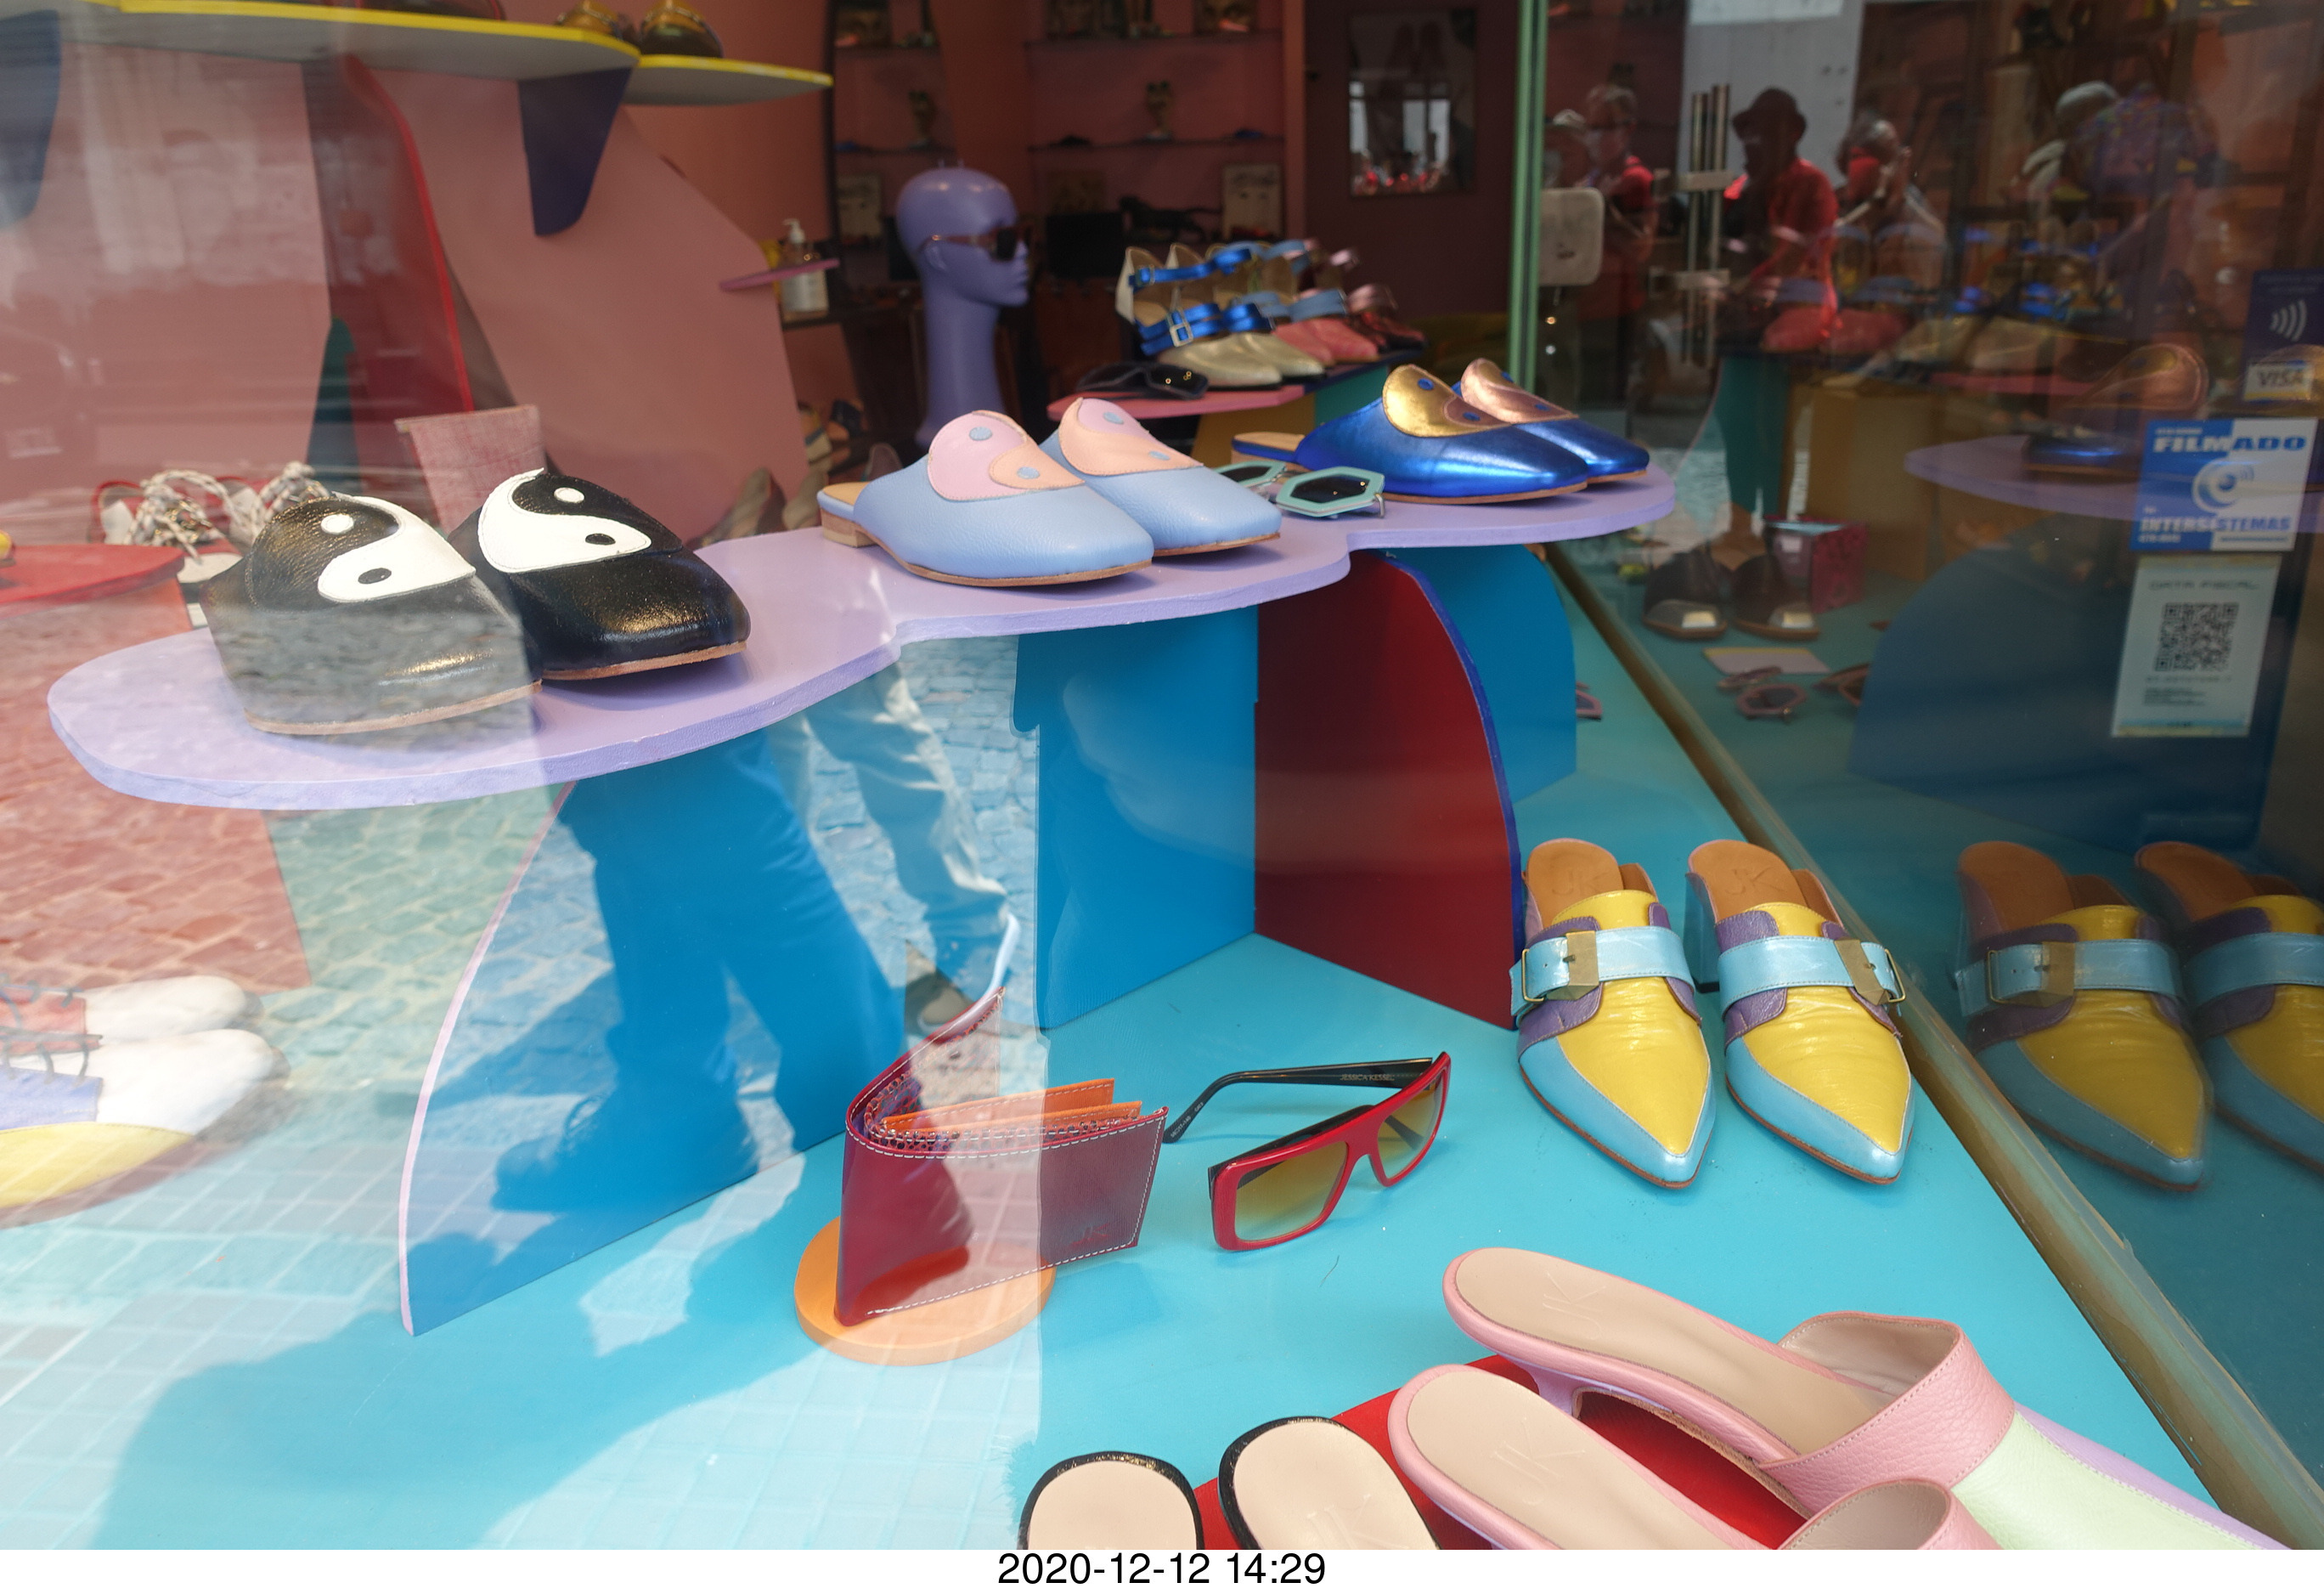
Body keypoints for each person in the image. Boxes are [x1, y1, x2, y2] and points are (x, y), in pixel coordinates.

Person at [1712, 88, 1836, 552]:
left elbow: (1798, 255)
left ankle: (1774, 525)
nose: (1756, 141)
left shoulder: (1812, 185)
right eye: (1752, 132)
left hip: (1790, 329)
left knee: (1775, 433)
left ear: (1793, 133)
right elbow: (1730, 251)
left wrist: (1743, 287)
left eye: (1767, 130)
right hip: (1744, 328)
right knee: (1738, 426)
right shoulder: (1743, 190)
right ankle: (1741, 523)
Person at [1570, 84, 1656, 405]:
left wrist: (1602, 208)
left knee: (1603, 394)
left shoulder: (1633, 180)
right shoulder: (1593, 176)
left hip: (1614, 304)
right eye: (1590, 127)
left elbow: (1640, 246)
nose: (1594, 137)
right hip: (1585, 302)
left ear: (1627, 129)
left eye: (1604, 127)